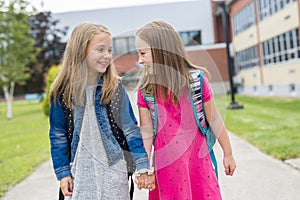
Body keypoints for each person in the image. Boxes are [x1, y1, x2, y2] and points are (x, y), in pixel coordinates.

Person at [49, 22, 155, 200]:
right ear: (81, 51)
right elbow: (58, 134)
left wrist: (142, 165)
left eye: (109, 50)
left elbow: (130, 128)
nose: (107, 56)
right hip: (79, 174)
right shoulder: (62, 91)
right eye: (100, 50)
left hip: (114, 171)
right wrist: (63, 173)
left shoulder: (113, 87)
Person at [135, 20, 236, 199]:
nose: (140, 60)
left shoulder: (196, 82)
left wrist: (228, 153)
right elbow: (146, 132)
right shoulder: (146, 90)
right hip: (166, 167)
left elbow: (215, 120)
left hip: (197, 161)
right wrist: (144, 167)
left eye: (143, 53)